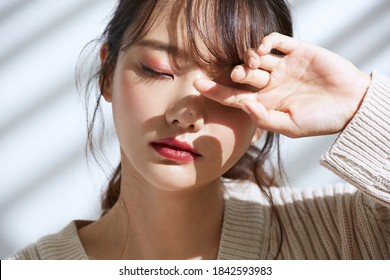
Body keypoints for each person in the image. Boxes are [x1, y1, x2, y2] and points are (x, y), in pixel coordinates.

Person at [10, 0, 389, 260]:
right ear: (107, 74)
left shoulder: (352, 233)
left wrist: (357, 100)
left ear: (263, 110)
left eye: (234, 85)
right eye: (158, 70)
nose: (187, 114)